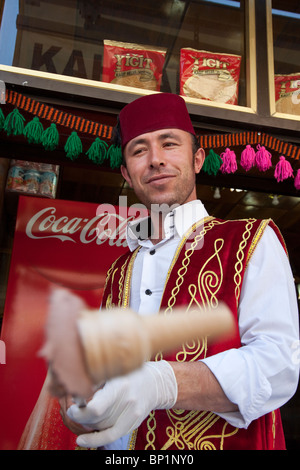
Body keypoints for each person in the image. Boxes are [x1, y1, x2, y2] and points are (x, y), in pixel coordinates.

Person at [60, 93, 299, 450]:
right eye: (139, 150)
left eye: (169, 144)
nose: (156, 160)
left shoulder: (250, 240)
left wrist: (163, 382)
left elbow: (279, 366)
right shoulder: (119, 271)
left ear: (197, 158)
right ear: (127, 172)